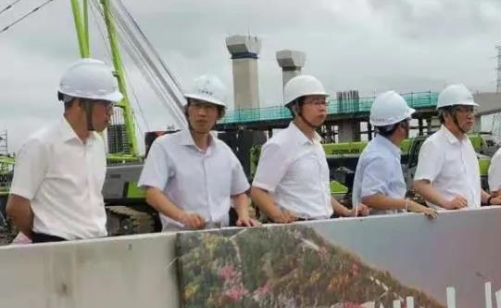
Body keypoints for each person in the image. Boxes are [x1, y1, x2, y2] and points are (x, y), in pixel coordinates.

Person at [7, 58, 120, 243]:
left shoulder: (97, 144)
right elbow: (16, 207)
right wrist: (42, 241)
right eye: (106, 104)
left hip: (97, 245)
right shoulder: (41, 145)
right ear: (80, 103)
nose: (111, 112)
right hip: (56, 247)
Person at [139, 75, 258, 231]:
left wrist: (243, 215)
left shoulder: (224, 152)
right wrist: (183, 216)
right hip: (180, 236)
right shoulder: (164, 146)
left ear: (219, 114)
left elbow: (239, 192)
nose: (201, 113)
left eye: (208, 107)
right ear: (187, 110)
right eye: (196, 105)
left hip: (221, 236)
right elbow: (152, 193)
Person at [251, 74, 369, 222]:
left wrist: (347, 212)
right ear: (296, 108)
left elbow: (320, 195)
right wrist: (278, 215)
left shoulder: (316, 144)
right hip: (298, 227)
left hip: (324, 224)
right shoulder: (280, 145)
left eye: (323, 102)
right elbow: (258, 191)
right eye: (315, 102)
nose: (322, 108)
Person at [413, 84, 501, 210]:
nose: (470, 115)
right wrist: (446, 203)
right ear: (446, 115)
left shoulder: (466, 143)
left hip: (472, 218)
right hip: (449, 220)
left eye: (471, 110)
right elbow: (420, 185)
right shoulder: (434, 144)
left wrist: (489, 199)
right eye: (462, 110)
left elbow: (470, 185)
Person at [353, 90, 436, 217]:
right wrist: (408, 204)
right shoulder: (380, 156)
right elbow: (370, 197)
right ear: (401, 126)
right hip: (382, 226)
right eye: (408, 120)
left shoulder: (382, 150)